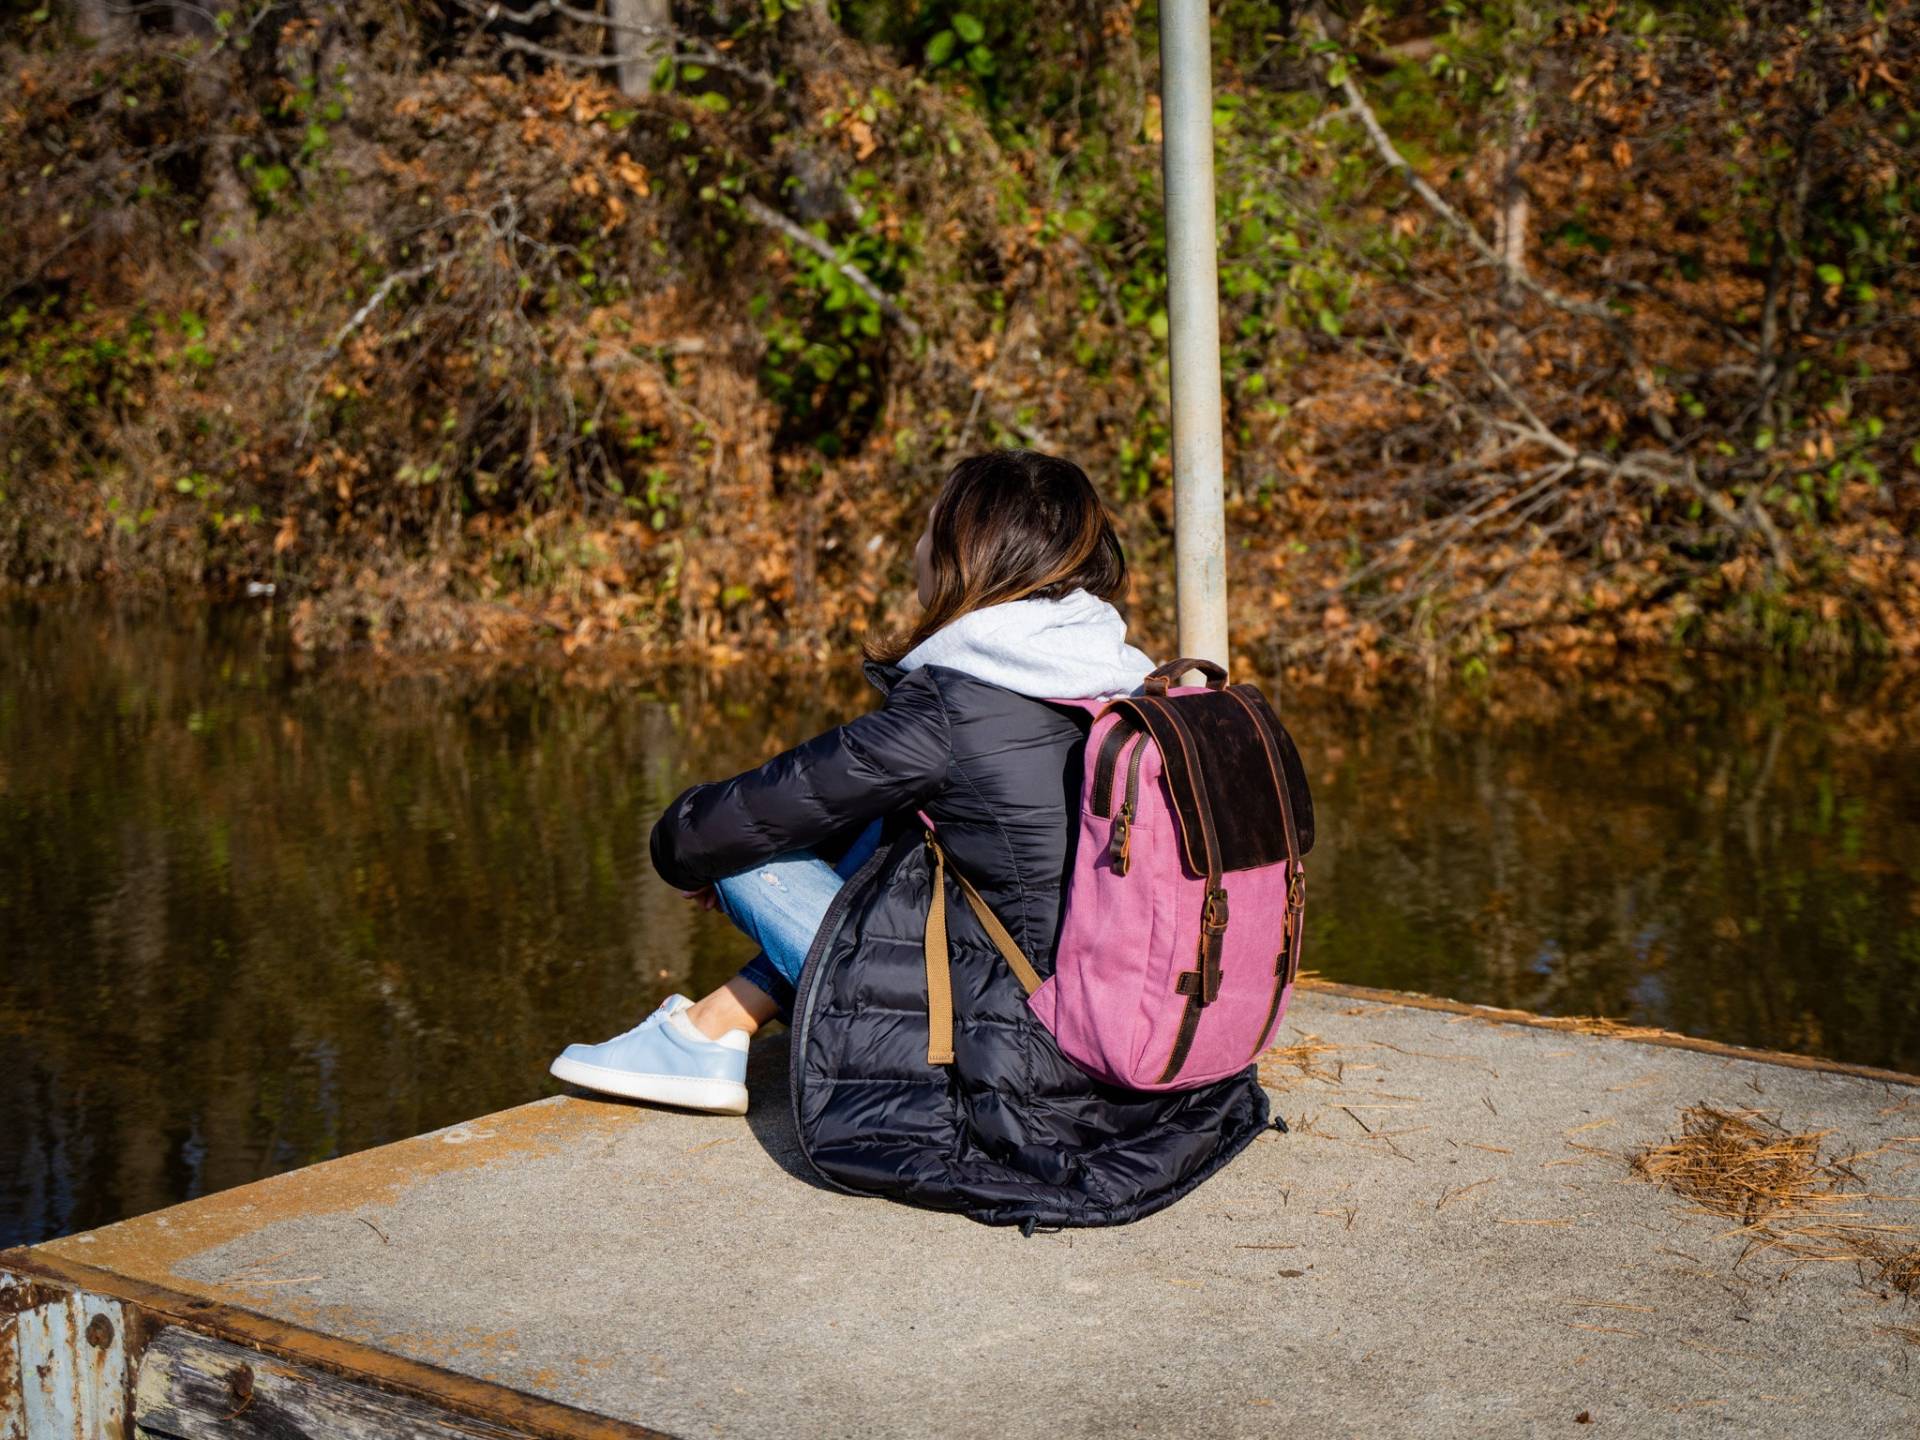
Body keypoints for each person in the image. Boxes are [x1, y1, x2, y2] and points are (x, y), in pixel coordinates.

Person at [549, 449, 1270, 1226]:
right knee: (895, 822)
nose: (917, 553)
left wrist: (696, 852)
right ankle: (716, 1025)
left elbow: (710, 831)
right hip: (1113, 1015)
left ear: (965, 559)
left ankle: (703, 1036)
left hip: (1023, 1057)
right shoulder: (1116, 676)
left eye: (930, 534)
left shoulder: (953, 706)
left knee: (745, 853)